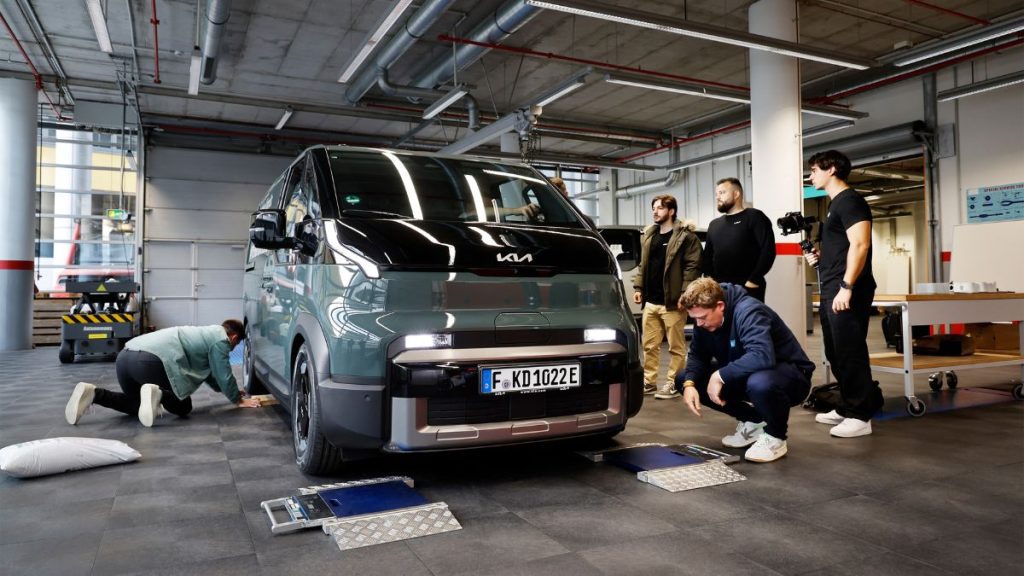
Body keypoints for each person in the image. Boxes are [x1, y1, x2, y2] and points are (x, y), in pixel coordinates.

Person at [677, 278, 814, 462]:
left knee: (759, 383)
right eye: (695, 319)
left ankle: (776, 436)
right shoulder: (703, 318)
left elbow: (762, 355)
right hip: (751, 373)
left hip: (792, 376)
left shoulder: (749, 311)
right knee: (683, 378)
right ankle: (755, 421)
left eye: (702, 318)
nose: (699, 323)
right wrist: (689, 383)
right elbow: (698, 355)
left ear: (720, 306)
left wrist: (719, 375)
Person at [805, 150, 881, 438]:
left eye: (814, 170)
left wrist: (847, 286)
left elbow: (861, 245)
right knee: (835, 351)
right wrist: (821, 257)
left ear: (832, 169)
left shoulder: (850, 201)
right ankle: (848, 405)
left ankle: (861, 416)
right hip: (832, 286)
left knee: (850, 351)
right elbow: (844, 248)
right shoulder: (835, 204)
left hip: (847, 288)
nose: (811, 176)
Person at [65, 320, 261, 427]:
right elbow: (223, 371)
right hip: (150, 361)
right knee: (183, 407)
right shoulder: (220, 340)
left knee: (136, 405)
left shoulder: (205, 333)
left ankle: (94, 394)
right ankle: (157, 393)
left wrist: (231, 391)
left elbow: (212, 375)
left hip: (125, 358)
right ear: (234, 337)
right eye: (236, 344)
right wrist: (237, 400)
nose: (233, 348)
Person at [632, 194, 703, 400]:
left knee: (676, 347)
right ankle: (649, 382)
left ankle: (674, 382)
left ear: (671, 211)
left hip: (673, 302)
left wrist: (684, 294)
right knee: (649, 346)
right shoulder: (650, 235)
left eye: (660, 208)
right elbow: (643, 265)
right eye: (654, 208)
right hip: (651, 302)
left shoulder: (686, 237)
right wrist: (638, 287)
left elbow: (692, 267)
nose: (655, 212)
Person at [701, 177, 776, 302]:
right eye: (716, 194)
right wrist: (710, 283)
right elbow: (707, 257)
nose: (718, 197)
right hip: (719, 290)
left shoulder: (754, 216)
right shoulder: (714, 224)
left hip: (748, 289)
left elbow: (768, 250)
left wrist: (754, 279)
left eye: (722, 193)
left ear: (736, 194)